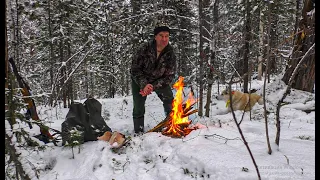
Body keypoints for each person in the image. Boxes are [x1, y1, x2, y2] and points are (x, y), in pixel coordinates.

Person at [130, 24, 177, 133]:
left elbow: (169, 75)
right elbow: (135, 69)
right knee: (138, 106)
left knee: (169, 98)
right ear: (155, 37)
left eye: (167, 36)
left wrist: (153, 86)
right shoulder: (144, 49)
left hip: (159, 81)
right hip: (140, 80)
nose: (164, 39)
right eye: (161, 36)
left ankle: (170, 123)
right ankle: (139, 131)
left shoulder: (170, 52)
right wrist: (144, 85)